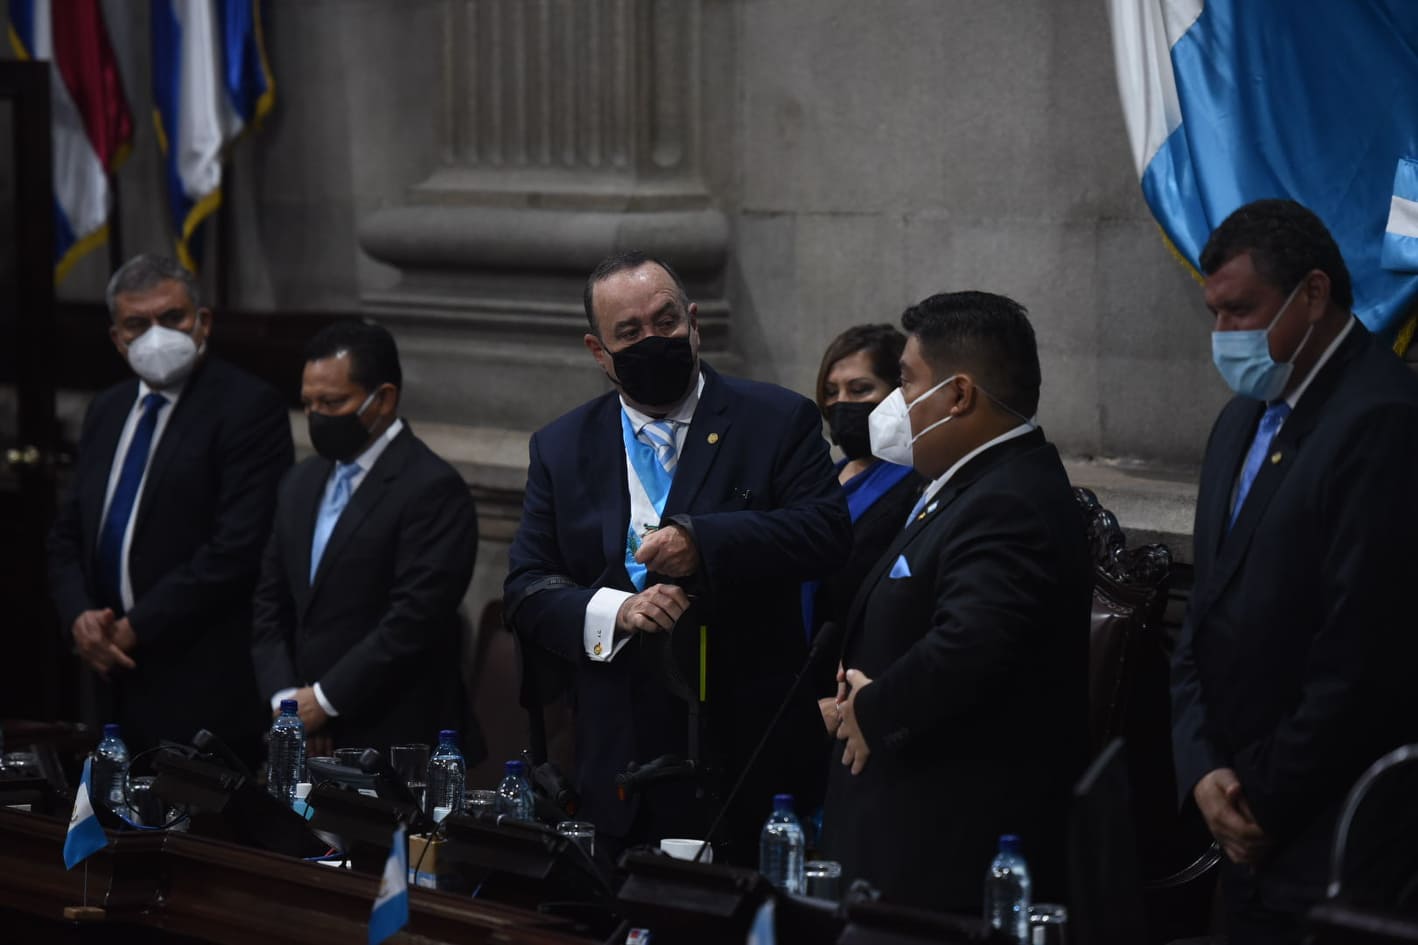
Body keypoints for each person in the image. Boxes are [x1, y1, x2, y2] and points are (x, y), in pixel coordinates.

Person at [504, 251, 851, 863]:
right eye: (629, 333)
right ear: (597, 350)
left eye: (665, 322)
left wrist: (705, 542)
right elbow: (527, 587)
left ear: (694, 322)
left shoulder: (773, 419)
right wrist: (617, 611)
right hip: (619, 762)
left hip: (747, 753)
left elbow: (825, 531)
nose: (652, 340)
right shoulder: (561, 446)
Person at [1172, 199, 1418, 943]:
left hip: (1325, 834)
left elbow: (1363, 653)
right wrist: (1200, 768)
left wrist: (1260, 798)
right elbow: (1202, 614)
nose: (1225, 336)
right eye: (1214, 313)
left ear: (1313, 293)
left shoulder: (1383, 419)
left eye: (1241, 310)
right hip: (1233, 818)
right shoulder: (1241, 417)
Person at [820, 291, 1091, 912]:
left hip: (951, 839)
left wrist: (875, 707)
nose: (895, 406)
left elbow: (971, 644)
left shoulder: (1009, 499)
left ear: (960, 395)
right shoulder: (963, 485)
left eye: (907, 383)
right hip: (903, 815)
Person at [47, 254, 291, 765]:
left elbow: (237, 548)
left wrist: (136, 625)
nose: (158, 334)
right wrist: (80, 618)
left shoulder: (248, 408)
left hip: (199, 676)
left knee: (196, 837)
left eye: (173, 318)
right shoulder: (108, 409)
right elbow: (68, 534)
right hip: (106, 677)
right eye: (138, 323)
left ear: (203, 321)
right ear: (117, 337)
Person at [251, 320, 484, 761]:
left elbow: (412, 620)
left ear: (384, 399)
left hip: (393, 739)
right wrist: (291, 704)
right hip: (300, 734)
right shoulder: (301, 481)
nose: (317, 416)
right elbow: (268, 602)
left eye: (333, 402)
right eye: (308, 403)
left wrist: (325, 700)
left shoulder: (432, 488)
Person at [803, 324, 923, 649]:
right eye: (831, 392)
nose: (842, 403)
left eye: (859, 390)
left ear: (899, 394)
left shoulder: (917, 483)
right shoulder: (824, 476)